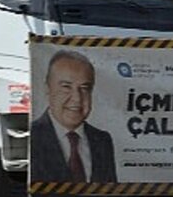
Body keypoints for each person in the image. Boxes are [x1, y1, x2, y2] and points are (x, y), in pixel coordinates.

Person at [30, 50, 118, 183]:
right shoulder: (33, 135)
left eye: (84, 88)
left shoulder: (102, 140)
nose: (77, 98)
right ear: (48, 88)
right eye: (66, 87)